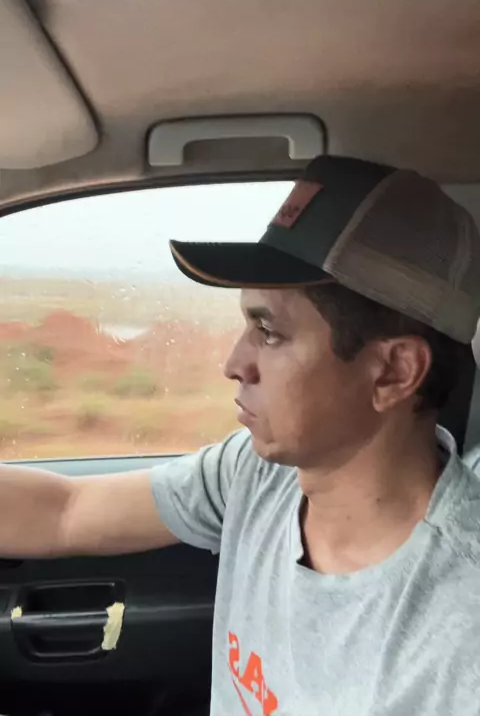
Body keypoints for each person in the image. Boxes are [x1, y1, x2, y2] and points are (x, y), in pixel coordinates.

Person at [3, 155, 480, 715]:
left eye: (268, 332)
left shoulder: (459, 621)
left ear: (393, 372)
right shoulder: (258, 475)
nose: (233, 364)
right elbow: (67, 511)